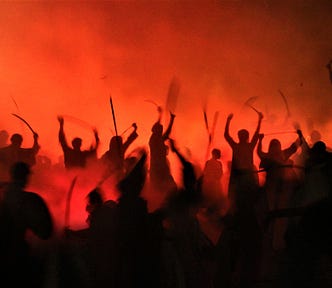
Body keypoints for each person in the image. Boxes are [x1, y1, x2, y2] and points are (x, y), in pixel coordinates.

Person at [0, 162, 53, 288]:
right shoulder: (28, 200)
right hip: (14, 259)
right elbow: (45, 232)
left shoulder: (5, 196)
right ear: (26, 177)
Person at [257, 131, 302, 250]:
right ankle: (271, 240)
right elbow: (259, 152)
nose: (276, 147)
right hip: (272, 188)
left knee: (277, 213)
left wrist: (300, 137)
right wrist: (260, 140)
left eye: (276, 145)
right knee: (273, 212)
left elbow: (294, 146)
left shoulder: (281, 154)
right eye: (274, 145)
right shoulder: (275, 155)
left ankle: (276, 241)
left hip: (280, 188)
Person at [224, 112, 263, 214]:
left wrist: (228, 121)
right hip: (245, 175)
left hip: (241, 175)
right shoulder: (248, 146)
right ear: (246, 137)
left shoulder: (237, 146)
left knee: (240, 197)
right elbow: (256, 135)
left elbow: (226, 135)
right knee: (245, 197)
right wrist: (260, 120)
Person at [149, 107, 177, 198]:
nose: (161, 131)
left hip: (161, 167)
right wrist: (162, 116)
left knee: (169, 188)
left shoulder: (158, 139)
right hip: (157, 168)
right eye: (160, 129)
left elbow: (166, 132)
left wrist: (166, 117)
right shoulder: (154, 140)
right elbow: (165, 132)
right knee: (161, 189)